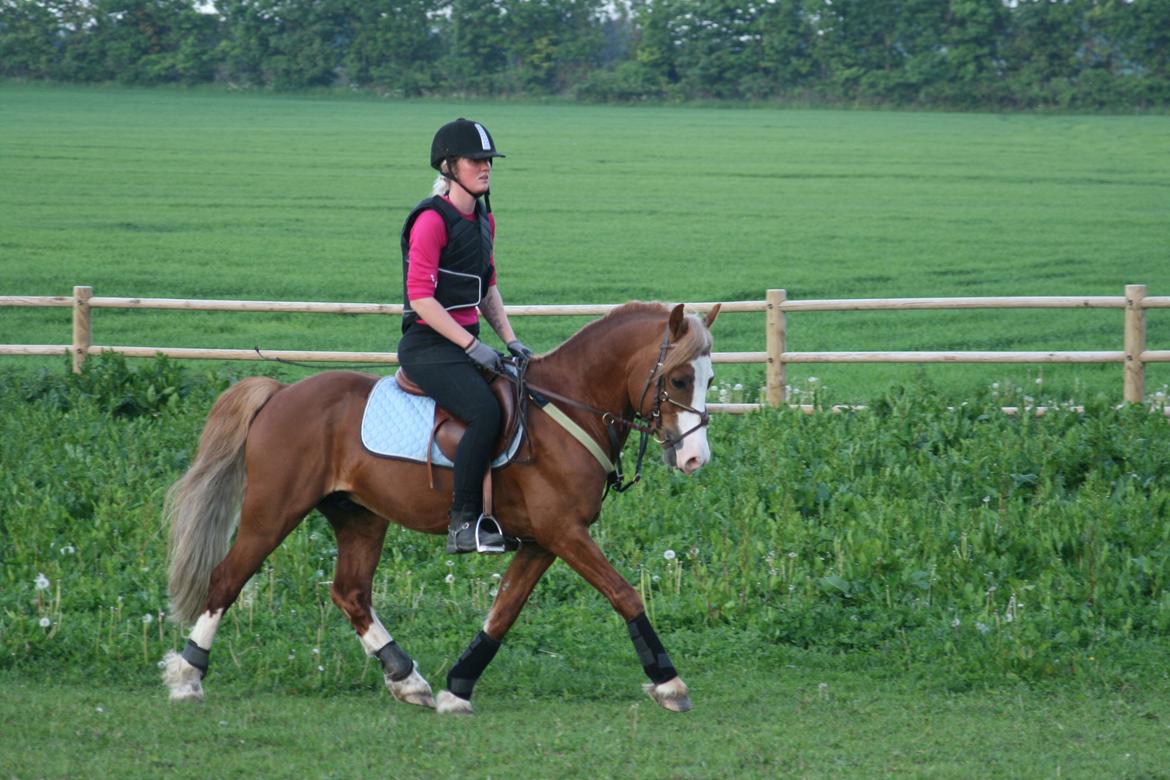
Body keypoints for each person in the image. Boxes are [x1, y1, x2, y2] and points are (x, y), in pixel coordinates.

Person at [397, 118, 533, 554]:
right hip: (428, 346)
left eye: (488, 160)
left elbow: (487, 287)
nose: (485, 167)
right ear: (450, 166)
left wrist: (511, 341)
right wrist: (473, 346)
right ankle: (463, 523)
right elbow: (421, 300)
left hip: (464, 344)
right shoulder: (431, 222)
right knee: (485, 413)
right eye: (476, 160)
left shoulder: (483, 219)